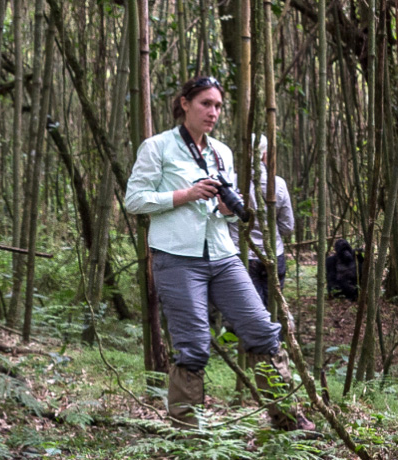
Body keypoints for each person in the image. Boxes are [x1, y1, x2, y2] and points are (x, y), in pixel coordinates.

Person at [125, 75, 313, 432]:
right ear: (184, 103)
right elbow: (134, 200)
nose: (213, 112)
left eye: (218, 106)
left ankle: (288, 419)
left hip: (224, 254)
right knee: (194, 346)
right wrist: (186, 194)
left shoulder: (221, 151)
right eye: (205, 104)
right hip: (177, 257)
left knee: (262, 330)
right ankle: (189, 433)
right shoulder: (158, 147)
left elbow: (216, 205)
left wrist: (224, 210)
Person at [228, 133, 295, 308]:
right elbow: (287, 227)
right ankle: (276, 334)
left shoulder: (231, 183)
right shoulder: (278, 184)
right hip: (274, 254)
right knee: (273, 309)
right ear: (265, 155)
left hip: (242, 255)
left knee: (250, 311)